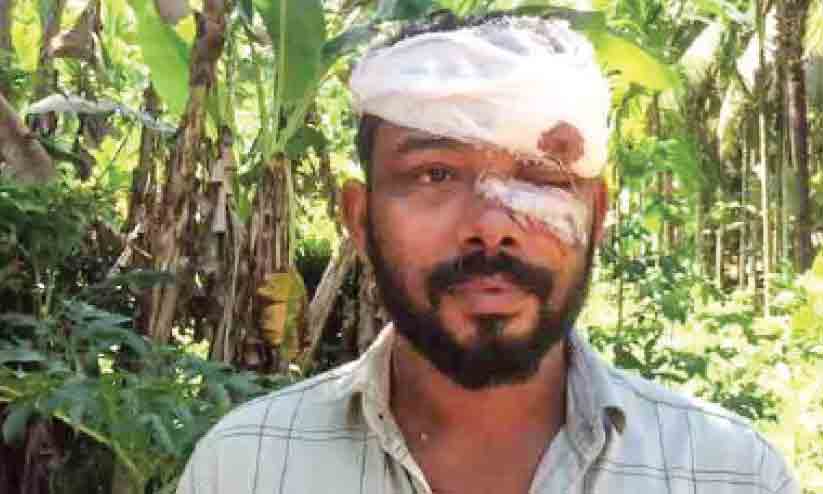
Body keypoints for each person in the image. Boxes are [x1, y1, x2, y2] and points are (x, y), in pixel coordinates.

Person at [176, 13, 797, 494]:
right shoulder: (246, 468)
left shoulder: (729, 474)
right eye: (436, 174)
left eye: (541, 178)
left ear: (598, 216)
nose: (492, 227)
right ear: (359, 219)